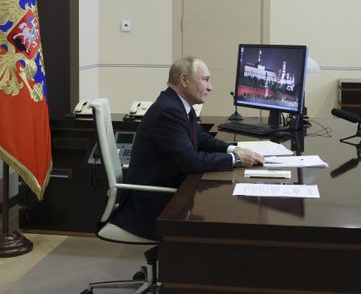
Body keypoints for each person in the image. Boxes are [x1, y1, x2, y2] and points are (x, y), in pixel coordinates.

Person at [109, 56, 265, 240]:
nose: (210, 87)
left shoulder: (178, 105)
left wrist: (233, 150)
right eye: (205, 79)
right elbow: (191, 162)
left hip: (169, 192)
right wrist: (237, 160)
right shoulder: (169, 111)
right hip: (153, 205)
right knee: (224, 215)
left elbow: (202, 139)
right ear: (184, 80)